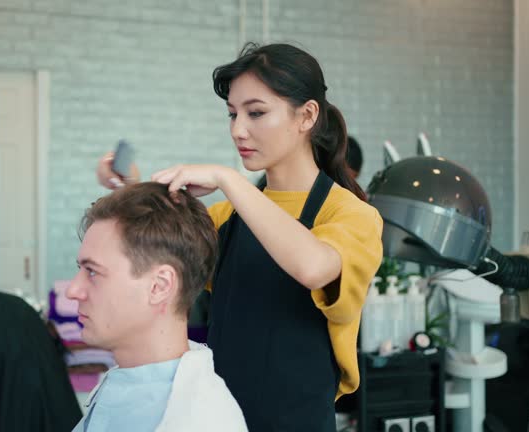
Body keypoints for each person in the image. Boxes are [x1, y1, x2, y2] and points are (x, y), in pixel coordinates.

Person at [97, 43, 383, 431]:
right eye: (232, 114)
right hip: (218, 417)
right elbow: (150, 252)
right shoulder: (226, 217)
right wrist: (129, 187)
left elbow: (314, 267)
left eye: (256, 113)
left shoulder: (352, 216)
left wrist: (228, 179)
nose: (238, 129)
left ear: (307, 115)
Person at [66, 182, 247, 432]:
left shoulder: (201, 421)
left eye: (93, 272)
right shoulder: (127, 383)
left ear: (159, 286)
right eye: (80, 270)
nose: (72, 290)